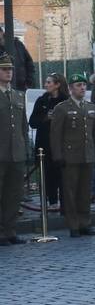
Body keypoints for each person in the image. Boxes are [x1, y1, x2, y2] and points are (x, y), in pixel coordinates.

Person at [50, 73, 95, 237]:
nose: (82, 88)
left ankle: (85, 222)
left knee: (85, 192)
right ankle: (73, 225)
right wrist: (58, 156)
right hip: (70, 156)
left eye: (84, 85)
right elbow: (55, 135)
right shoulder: (62, 108)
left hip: (87, 155)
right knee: (70, 192)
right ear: (71, 88)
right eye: (78, 85)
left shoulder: (90, 107)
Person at [0, 57, 29, 244]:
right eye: (4, 69)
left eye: (10, 69)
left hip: (16, 152)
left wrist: (26, 148)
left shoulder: (18, 96)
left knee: (14, 193)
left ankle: (10, 230)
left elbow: (23, 126)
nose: (8, 72)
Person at [30, 73, 69, 208]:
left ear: (57, 85)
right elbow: (32, 122)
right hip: (45, 145)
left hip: (62, 145)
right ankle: (51, 201)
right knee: (47, 176)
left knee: (63, 176)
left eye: (49, 82)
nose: (46, 85)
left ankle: (65, 204)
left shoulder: (66, 100)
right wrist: (46, 118)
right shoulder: (42, 101)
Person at [0, 26, 37, 90]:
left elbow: (29, 62)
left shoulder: (17, 44)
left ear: (1, 32)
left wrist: (29, 82)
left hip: (21, 85)